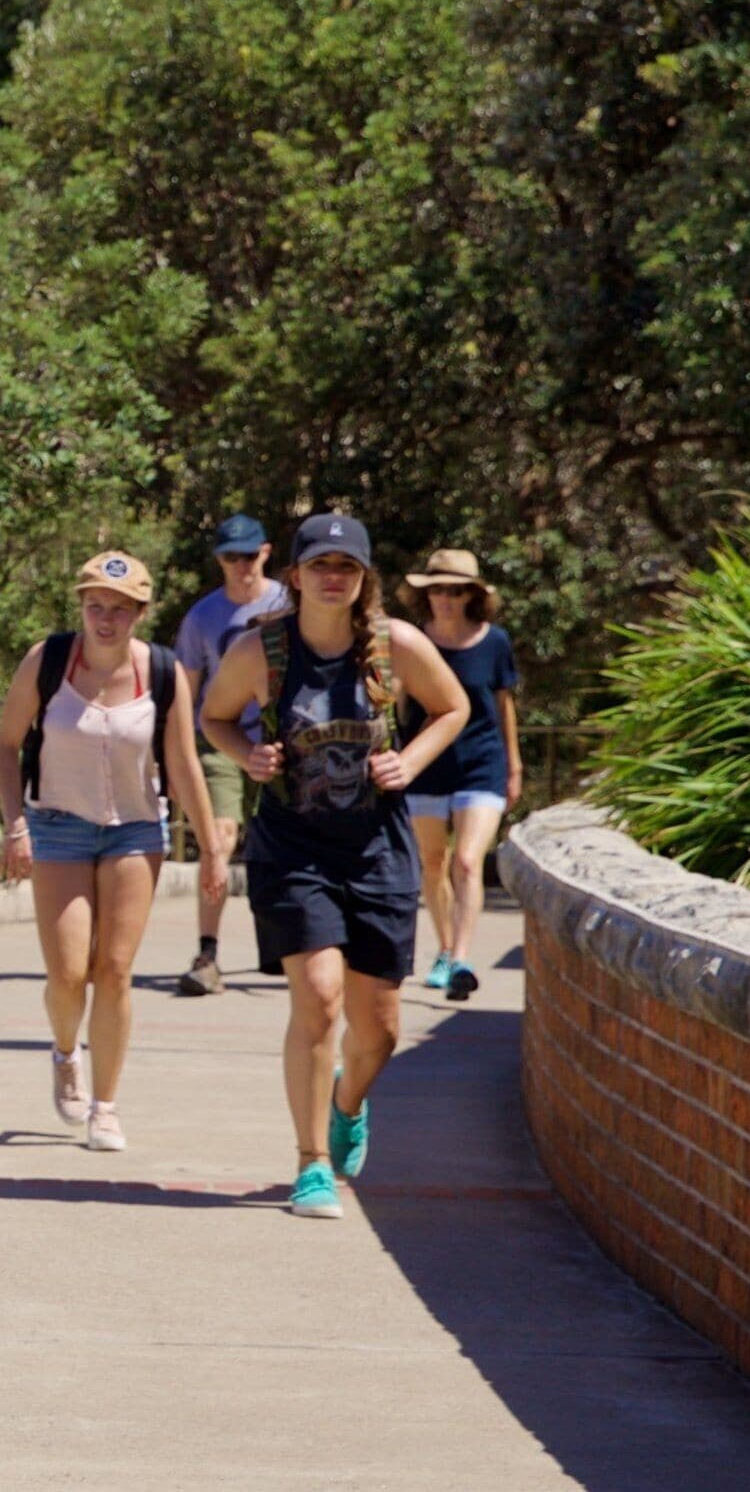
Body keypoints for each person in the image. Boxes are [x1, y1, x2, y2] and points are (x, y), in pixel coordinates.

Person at [197, 510, 471, 1221]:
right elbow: (215, 716)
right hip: (293, 846)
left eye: (345, 568)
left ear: (363, 579)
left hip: (378, 849)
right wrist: (246, 755)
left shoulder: (395, 646)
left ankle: (349, 1101)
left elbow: (453, 707)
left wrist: (407, 761)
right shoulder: (262, 651)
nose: (331, 577)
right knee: (317, 998)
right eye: (320, 565)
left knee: (378, 1027)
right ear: (295, 575)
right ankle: (311, 1162)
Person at [0, 552, 226, 1154]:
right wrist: (15, 824)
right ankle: (66, 1052)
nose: (105, 618)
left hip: (135, 831)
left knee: (114, 971)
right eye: (95, 605)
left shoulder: (165, 673)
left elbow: (182, 763)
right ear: (81, 607)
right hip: (58, 827)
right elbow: (7, 747)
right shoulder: (47, 662)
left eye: (119, 609)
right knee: (68, 974)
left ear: (139, 613)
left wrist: (211, 851)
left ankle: (106, 1105)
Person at [167, 516, 289, 996]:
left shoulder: (288, 604)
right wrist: (174, 762)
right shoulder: (202, 618)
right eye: (230, 557)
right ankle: (207, 953)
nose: (241, 566)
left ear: (265, 552)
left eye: (249, 555)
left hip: (283, 743)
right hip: (222, 739)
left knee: (281, 844)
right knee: (218, 838)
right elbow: (184, 694)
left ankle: (286, 946)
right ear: (219, 560)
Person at [399, 550, 523, 1000]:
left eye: (455, 590)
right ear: (425, 595)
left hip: (481, 764)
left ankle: (462, 959)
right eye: (437, 590)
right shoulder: (413, 642)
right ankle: (445, 949)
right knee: (433, 863)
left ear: (472, 595)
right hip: (426, 765)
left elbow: (504, 704)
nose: (446, 599)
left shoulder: (495, 642)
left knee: (468, 862)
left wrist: (514, 764)